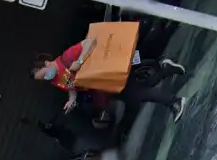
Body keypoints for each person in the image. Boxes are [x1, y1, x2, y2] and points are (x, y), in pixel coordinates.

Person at [34, 37, 191, 124]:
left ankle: (175, 101)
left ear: (47, 63)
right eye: (43, 79)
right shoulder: (56, 80)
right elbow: (71, 87)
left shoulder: (67, 56)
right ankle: (166, 70)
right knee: (141, 90)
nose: (47, 78)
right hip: (105, 87)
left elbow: (91, 41)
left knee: (139, 93)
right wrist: (72, 99)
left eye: (44, 74)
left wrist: (80, 61)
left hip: (109, 73)